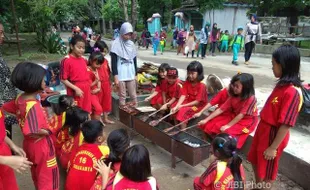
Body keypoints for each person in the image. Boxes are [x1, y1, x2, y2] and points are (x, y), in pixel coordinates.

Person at [247, 45, 303, 189]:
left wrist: (273, 147)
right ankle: (258, 186)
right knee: (255, 159)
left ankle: (263, 187)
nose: (272, 68)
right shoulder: (281, 85)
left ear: (283, 65)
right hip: (263, 129)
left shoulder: (292, 92)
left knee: (267, 168)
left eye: (274, 64)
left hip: (273, 135)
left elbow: (286, 124)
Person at [2, 62, 59, 190]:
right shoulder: (33, 105)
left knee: (37, 172)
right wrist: (49, 130)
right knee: (48, 176)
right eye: (43, 80)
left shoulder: (20, 99)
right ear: (34, 82)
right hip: (41, 146)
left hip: (29, 145)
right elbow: (31, 130)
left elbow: (7, 107)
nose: (45, 82)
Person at [198, 73, 258, 149]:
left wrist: (228, 125)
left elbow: (241, 115)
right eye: (233, 85)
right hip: (235, 116)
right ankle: (216, 145)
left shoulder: (251, 98)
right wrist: (206, 120)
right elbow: (221, 109)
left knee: (228, 131)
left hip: (247, 121)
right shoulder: (234, 95)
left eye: (237, 86)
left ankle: (226, 150)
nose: (234, 88)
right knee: (214, 124)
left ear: (246, 87)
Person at [66, 120, 109, 190]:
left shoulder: (79, 148)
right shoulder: (104, 150)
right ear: (99, 138)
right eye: (103, 132)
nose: (105, 133)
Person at [0, 109, 32, 190]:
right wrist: (5, 160)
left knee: (9, 185)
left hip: (4, 152)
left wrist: (12, 145)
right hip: (3, 159)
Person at [171, 61, 208, 129]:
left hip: (198, 106)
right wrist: (177, 106)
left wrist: (182, 106)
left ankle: (183, 130)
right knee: (174, 106)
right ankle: (176, 127)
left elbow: (197, 102)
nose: (190, 75)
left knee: (183, 111)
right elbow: (183, 95)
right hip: (189, 101)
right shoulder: (187, 82)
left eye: (192, 73)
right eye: (188, 73)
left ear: (199, 73)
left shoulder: (202, 85)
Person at [61, 35, 91, 113]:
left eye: (83, 48)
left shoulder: (84, 59)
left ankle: (86, 124)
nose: (81, 50)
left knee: (87, 110)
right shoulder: (66, 60)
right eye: (79, 47)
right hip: (75, 90)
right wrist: (76, 88)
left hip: (86, 89)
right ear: (71, 46)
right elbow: (63, 79)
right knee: (77, 112)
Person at [111, 22, 138, 107]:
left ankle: (135, 112)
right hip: (121, 75)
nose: (128, 37)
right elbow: (113, 62)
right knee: (122, 96)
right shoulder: (116, 44)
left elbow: (134, 59)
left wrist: (136, 74)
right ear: (122, 32)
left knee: (133, 95)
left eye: (130, 34)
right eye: (126, 34)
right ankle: (124, 114)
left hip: (130, 73)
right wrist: (115, 77)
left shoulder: (131, 44)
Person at [0, 22, 18, 140]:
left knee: (7, 136)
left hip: (7, 104)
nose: (2, 36)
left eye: (3, 32)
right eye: (0, 33)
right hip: (2, 107)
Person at [93, 41, 114, 124]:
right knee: (99, 101)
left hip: (106, 84)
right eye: (102, 51)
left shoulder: (105, 61)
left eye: (105, 52)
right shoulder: (94, 61)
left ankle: (106, 118)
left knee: (107, 101)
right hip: (99, 84)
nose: (104, 53)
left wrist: (110, 83)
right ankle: (99, 119)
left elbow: (108, 72)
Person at [87, 51, 104, 121]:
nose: (99, 66)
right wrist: (95, 82)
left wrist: (99, 88)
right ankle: (96, 125)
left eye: (100, 64)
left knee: (94, 110)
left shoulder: (96, 69)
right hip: (91, 92)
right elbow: (87, 85)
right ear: (91, 61)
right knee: (98, 109)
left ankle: (95, 123)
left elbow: (99, 80)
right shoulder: (87, 70)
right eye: (97, 64)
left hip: (96, 92)